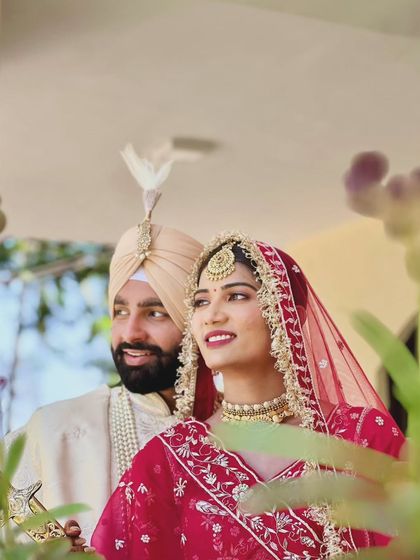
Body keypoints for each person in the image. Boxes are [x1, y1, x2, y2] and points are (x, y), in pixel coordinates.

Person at [92, 231, 405, 559]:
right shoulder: (169, 461)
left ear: (288, 314)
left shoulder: (363, 437)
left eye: (236, 296)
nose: (212, 315)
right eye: (201, 301)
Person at [3, 147, 216, 546]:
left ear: (195, 323)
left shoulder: (243, 429)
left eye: (155, 313)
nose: (130, 332)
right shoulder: (54, 431)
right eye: (120, 311)